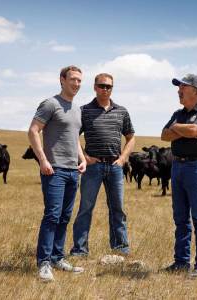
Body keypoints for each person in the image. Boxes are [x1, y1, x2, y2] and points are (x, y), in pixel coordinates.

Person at [28, 65, 87, 282]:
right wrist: (43, 160)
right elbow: (33, 130)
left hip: (73, 171)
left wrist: (82, 159)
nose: (77, 84)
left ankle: (57, 258)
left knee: (64, 217)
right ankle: (43, 263)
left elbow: (74, 138)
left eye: (80, 80)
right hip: (54, 170)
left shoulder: (77, 108)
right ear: (62, 80)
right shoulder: (50, 103)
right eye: (73, 79)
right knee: (52, 216)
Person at [71, 73, 135, 257]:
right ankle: (80, 249)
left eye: (109, 86)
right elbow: (73, 135)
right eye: (102, 86)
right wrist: (84, 157)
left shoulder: (121, 111)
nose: (105, 89)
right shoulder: (84, 110)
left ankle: (120, 248)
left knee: (118, 208)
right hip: (93, 167)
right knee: (85, 208)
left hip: (114, 166)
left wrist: (123, 159)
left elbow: (131, 137)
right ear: (94, 87)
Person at [161, 74, 197, 278]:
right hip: (177, 167)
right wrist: (179, 130)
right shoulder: (178, 112)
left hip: (196, 167)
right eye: (179, 87)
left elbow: (195, 130)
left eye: (183, 87)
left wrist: (175, 127)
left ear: (196, 91)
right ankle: (181, 262)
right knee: (180, 217)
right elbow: (163, 135)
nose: (179, 90)